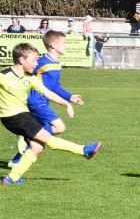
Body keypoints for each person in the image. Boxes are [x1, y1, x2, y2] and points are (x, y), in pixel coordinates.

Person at [1, 42, 101, 185]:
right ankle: (84, 150)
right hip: (13, 116)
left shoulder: (30, 78)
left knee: (37, 147)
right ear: (22, 60)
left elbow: (48, 93)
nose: (36, 63)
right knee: (47, 138)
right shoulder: (4, 75)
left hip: (23, 115)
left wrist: (66, 102)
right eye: (34, 60)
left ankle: (12, 178)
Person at [8, 30, 83, 169]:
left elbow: (55, 86)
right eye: (64, 43)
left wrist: (70, 97)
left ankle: (16, 160)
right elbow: (23, 71)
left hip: (44, 101)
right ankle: (26, 139)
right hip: (36, 101)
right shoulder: (42, 62)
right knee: (59, 127)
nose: (66, 46)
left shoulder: (57, 63)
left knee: (39, 134)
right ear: (53, 45)